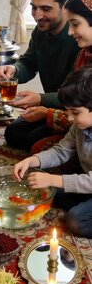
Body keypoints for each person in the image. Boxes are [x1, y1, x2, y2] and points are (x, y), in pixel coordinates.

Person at [0, 0, 80, 151]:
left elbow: (76, 94)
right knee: (13, 134)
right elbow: (28, 63)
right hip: (52, 104)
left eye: (45, 9)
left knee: (33, 142)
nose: (37, 15)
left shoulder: (80, 39)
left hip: (76, 111)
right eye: (34, 7)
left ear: (64, 6)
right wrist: (14, 69)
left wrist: (39, 99)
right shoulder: (40, 32)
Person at [13, 65, 92, 238]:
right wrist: (32, 161)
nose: (70, 118)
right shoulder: (79, 127)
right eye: (68, 111)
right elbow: (61, 151)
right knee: (48, 191)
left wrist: (52, 179)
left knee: (75, 220)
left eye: (75, 112)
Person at [31, 0, 92, 154]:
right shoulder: (84, 54)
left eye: (75, 24)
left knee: (37, 148)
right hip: (78, 128)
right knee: (22, 136)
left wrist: (48, 113)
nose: (71, 32)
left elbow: (85, 118)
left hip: (83, 128)